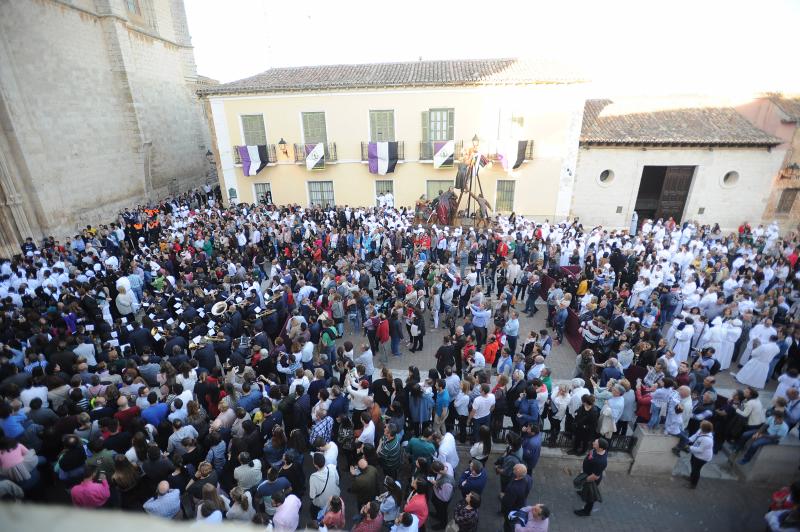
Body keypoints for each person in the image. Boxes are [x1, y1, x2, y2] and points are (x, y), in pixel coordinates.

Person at [574, 438, 608, 517]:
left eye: (595, 443)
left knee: (590, 495)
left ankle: (586, 511)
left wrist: (585, 480)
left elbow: (595, 476)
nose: (593, 443)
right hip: (586, 473)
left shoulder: (601, 462)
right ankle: (583, 492)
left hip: (591, 478)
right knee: (585, 488)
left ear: (600, 448)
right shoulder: (597, 450)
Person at [501, 464, 532, 532]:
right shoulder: (529, 478)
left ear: (517, 473)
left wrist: (503, 498)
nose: (513, 470)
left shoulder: (514, 488)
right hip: (521, 503)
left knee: (508, 523)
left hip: (512, 509)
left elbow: (507, 503)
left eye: (514, 469)